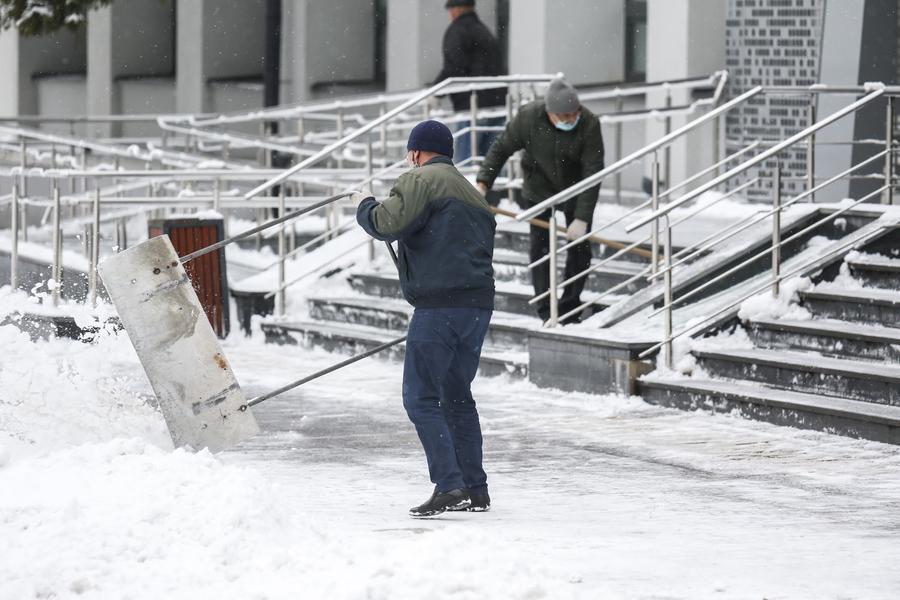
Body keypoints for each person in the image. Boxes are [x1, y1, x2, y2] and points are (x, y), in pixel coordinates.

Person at [352, 120, 496, 518]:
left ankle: (449, 485)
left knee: (419, 397)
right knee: (457, 396)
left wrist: (365, 204)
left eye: (409, 153)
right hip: (476, 306)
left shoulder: (419, 180)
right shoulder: (474, 194)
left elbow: (385, 224)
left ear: (416, 152)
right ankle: (475, 488)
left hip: (439, 306)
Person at [476, 77, 605, 324]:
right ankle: (545, 308)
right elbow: (501, 149)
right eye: (564, 116)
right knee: (540, 247)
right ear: (550, 113)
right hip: (538, 187)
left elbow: (593, 172)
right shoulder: (528, 118)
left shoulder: (589, 123)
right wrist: (483, 183)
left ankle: (569, 306)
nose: (571, 119)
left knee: (580, 248)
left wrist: (581, 218)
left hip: (576, 188)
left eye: (574, 114)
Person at [433, 0, 506, 162]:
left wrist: (435, 92)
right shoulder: (483, 31)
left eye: (450, 10)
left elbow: (454, 67)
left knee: (466, 162)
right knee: (491, 163)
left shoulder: (457, 31)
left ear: (456, 10)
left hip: (472, 106)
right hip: (496, 104)